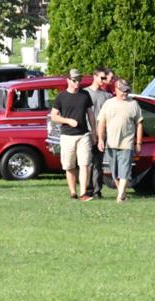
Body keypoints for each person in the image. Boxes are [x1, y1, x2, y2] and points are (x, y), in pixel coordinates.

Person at [52, 68, 95, 201]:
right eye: (74, 80)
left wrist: (94, 132)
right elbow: (54, 116)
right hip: (67, 136)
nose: (77, 83)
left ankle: (83, 193)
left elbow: (91, 114)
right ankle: (73, 192)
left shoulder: (85, 95)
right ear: (68, 80)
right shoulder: (61, 97)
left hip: (83, 135)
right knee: (69, 165)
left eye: (79, 80)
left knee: (84, 164)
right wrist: (68, 121)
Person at [97, 78, 143, 202]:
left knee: (125, 170)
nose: (125, 93)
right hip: (111, 143)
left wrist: (138, 142)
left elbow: (139, 124)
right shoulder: (108, 104)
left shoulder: (134, 104)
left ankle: (120, 196)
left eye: (127, 90)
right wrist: (101, 139)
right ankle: (122, 193)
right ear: (115, 90)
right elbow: (101, 123)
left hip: (127, 143)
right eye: (122, 91)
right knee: (114, 172)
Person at [84, 67, 113, 198]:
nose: (104, 81)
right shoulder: (85, 93)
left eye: (105, 78)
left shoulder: (107, 96)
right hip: (87, 132)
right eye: (102, 78)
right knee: (86, 162)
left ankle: (96, 190)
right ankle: (87, 189)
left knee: (98, 163)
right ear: (94, 76)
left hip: (101, 134)